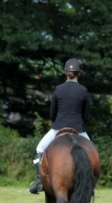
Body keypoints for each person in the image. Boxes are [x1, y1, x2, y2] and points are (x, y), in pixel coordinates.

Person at [28, 58, 91, 194]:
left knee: (39, 149)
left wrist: (56, 123)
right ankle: (90, 182)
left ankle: (39, 181)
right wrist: (81, 125)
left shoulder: (58, 89)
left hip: (58, 127)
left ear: (65, 72)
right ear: (79, 73)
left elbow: (52, 113)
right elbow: (86, 115)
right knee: (91, 152)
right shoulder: (83, 91)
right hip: (79, 129)